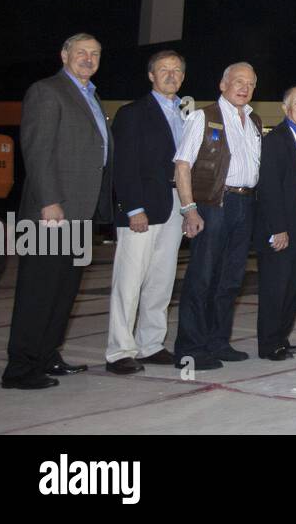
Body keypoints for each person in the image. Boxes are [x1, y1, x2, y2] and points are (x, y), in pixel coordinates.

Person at [3, 33, 112, 390]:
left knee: (63, 291)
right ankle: (20, 368)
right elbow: (37, 151)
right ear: (64, 54)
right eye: (81, 52)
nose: (88, 58)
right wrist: (50, 201)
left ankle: (47, 355)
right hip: (52, 213)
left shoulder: (91, 96)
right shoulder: (47, 91)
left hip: (80, 213)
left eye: (94, 53)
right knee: (39, 291)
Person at [173, 61, 263, 370]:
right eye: (238, 81)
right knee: (202, 278)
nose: (244, 87)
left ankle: (218, 341)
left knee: (230, 280)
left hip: (245, 204)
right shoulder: (203, 116)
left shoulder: (253, 121)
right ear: (223, 85)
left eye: (250, 84)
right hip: (214, 204)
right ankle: (191, 348)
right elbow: (182, 165)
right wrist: (189, 209)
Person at [105, 49, 187, 375]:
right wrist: (132, 208)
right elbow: (123, 165)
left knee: (161, 279)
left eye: (177, 70)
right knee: (129, 281)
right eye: (164, 70)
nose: (171, 75)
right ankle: (119, 350)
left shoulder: (185, 115)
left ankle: (150, 343)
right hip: (142, 208)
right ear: (151, 76)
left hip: (175, 205)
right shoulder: (133, 113)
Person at [254, 86, 296, 360]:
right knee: (275, 287)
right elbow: (268, 188)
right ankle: (269, 344)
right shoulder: (276, 140)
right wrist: (277, 228)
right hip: (281, 226)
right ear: (285, 108)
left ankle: (282, 336)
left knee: (292, 287)